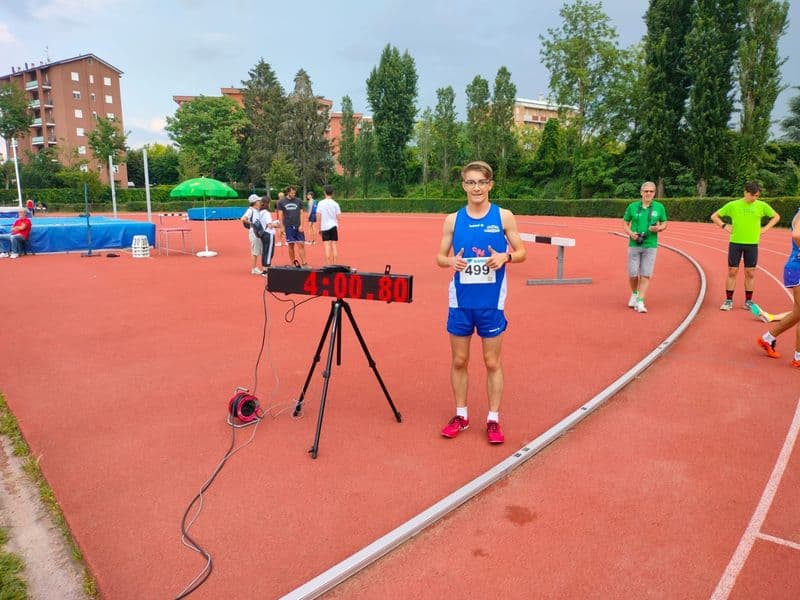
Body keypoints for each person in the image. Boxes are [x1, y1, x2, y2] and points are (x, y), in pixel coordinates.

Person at [436, 161, 526, 444]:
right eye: (471, 182)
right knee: (459, 360)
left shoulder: (504, 216)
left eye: (481, 182)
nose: (476, 187)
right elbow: (440, 257)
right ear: (464, 185)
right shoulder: (452, 220)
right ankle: (461, 415)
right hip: (460, 302)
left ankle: (493, 419)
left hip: (491, 302)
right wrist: (450, 261)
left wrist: (505, 257)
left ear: (490, 185)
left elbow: (522, 252)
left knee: (491, 361)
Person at [711, 181, 780, 311]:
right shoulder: (733, 205)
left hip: (752, 244)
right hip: (735, 243)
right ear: (745, 193)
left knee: (750, 273)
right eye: (752, 195)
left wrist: (765, 228)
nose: (754, 198)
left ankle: (748, 301)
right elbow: (714, 216)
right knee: (732, 271)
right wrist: (724, 226)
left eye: (757, 196)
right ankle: (728, 300)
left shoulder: (762, 206)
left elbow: (776, 217)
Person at [756, 206, 800, 368]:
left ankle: (767, 338)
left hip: (795, 267)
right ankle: (798, 358)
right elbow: (797, 235)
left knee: (797, 313)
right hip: (797, 268)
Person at [622, 181, 668, 313]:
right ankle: (634, 293)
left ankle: (640, 301)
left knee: (646, 274)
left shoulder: (659, 207)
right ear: (641, 192)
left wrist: (659, 228)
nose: (648, 193)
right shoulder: (632, 206)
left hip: (650, 245)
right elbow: (625, 223)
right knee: (632, 274)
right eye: (646, 191)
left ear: (654, 193)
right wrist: (631, 233)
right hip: (634, 244)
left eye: (651, 191)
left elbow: (665, 222)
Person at [276, 186, 309, 267]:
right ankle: (293, 263)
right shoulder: (281, 202)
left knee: (301, 244)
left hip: (298, 226)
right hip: (288, 226)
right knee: (291, 245)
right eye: (292, 193)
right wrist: (282, 227)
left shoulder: (299, 201)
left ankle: (304, 263)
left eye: (294, 193)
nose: (293, 194)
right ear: (288, 192)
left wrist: (301, 225)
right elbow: (280, 214)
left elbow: (301, 213)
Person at [316, 185, 341, 265]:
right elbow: (339, 217)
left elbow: (318, 216)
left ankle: (328, 264)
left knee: (327, 246)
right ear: (332, 193)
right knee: (334, 245)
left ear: (324, 192)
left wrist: (319, 228)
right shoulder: (335, 204)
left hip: (324, 227)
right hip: (333, 226)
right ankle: (335, 264)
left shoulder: (320, 203)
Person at [241, 194, 264, 275]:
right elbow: (243, 219)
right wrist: (252, 224)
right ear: (254, 202)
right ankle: (254, 268)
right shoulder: (250, 210)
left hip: (257, 231)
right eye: (258, 201)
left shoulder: (256, 210)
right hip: (254, 232)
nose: (259, 202)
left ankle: (257, 267)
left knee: (258, 249)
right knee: (255, 250)